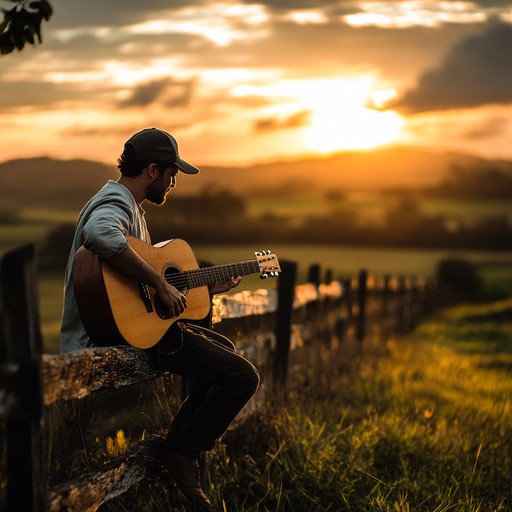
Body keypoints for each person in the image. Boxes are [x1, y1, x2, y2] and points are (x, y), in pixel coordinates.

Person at [60, 128, 260, 510]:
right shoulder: (115, 201)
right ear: (152, 170)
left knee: (225, 352)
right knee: (242, 376)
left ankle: (178, 447)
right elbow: (98, 234)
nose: (173, 183)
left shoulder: (134, 210)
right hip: (109, 333)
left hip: (132, 326)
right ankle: (182, 450)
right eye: (172, 174)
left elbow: (150, 290)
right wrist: (157, 281)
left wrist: (204, 289)